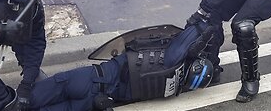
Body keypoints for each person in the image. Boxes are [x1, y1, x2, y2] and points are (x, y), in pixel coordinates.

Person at [28, 22, 216, 110]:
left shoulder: (171, 60)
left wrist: (204, 36)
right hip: (96, 101)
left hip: (88, 79)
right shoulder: (169, 91)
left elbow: (196, 29)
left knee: (25, 99)